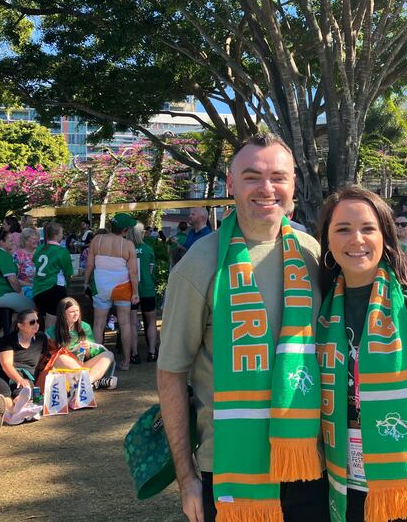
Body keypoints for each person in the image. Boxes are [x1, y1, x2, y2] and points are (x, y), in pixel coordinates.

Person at [158, 134, 325, 522]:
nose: (267, 188)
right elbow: (170, 374)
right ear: (231, 184)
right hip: (231, 464)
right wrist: (187, 479)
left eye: (278, 177)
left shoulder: (312, 253)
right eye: (252, 177)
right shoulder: (200, 263)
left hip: (309, 459)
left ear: (293, 184)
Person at [318, 185, 407, 522]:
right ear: (327, 241)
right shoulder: (320, 314)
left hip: (400, 496)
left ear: (385, 237)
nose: (356, 239)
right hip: (337, 489)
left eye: (368, 228)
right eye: (343, 229)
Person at [83, 212, 139, 370]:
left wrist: (86, 283)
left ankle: (98, 361)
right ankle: (126, 361)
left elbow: (89, 265)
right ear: (125, 230)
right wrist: (135, 292)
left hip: (101, 286)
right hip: (122, 286)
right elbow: (133, 272)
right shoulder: (128, 245)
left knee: (99, 324)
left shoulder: (97, 240)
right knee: (125, 323)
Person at [0, 309, 48, 420]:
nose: (37, 324)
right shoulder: (8, 340)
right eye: (32, 322)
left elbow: (42, 361)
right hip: (2, 373)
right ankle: (14, 414)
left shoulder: (41, 338)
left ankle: (17, 413)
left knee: (25, 390)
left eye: (38, 321)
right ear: (20, 325)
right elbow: (6, 364)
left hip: (26, 376)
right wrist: (19, 379)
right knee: (4, 392)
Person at [44, 297, 117, 389]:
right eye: (72, 312)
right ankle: (95, 381)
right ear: (63, 313)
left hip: (81, 365)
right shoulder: (51, 332)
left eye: (77, 311)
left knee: (108, 355)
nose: (76, 314)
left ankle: (87, 382)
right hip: (63, 368)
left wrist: (86, 349)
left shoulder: (85, 327)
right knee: (61, 358)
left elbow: (89, 355)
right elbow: (51, 357)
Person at [0, 228, 35, 316]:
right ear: (1, 242)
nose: (13, 242)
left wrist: (30, 285)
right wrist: (20, 293)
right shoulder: (2, 256)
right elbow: (13, 281)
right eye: (10, 241)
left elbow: (13, 279)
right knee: (33, 308)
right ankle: (15, 329)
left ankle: (9, 329)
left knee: (23, 308)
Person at [31, 222, 74, 330]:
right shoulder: (62, 251)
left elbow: (35, 262)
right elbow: (68, 274)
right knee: (51, 324)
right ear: (56, 234)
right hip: (53, 288)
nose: (62, 235)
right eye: (62, 233)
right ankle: (49, 346)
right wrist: (68, 288)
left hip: (38, 289)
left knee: (44, 321)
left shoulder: (40, 248)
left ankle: (45, 344)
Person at [125, 222, 158, 363]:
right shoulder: (148, 249)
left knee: (132, 323)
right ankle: (151, 352)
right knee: (151, 322)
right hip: (147, 288)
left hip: (130, 290)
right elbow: (151, 272)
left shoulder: (125, 249)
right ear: (142, 233)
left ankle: (134, 354)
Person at [12, 227, 40, 299]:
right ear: (26, 241)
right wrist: (30, 285)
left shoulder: (41, 253)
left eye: (37, 238)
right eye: (34, 239)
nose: (37, 241)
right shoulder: (17, 255)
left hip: (41, 288)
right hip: (25, 291)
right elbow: (13, 279)